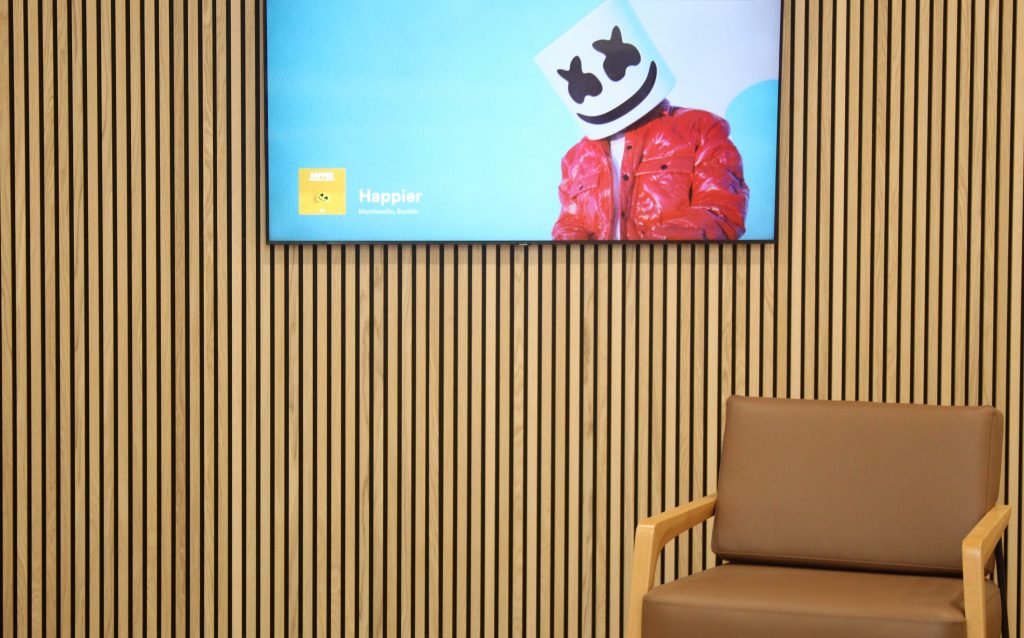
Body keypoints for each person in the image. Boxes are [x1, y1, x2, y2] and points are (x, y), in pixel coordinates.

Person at [552, 100, 749, 241]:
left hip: (674, 283)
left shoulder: (698, 127)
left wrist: (648, 258)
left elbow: (721, 210)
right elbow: (569, 222)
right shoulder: (576, 157)